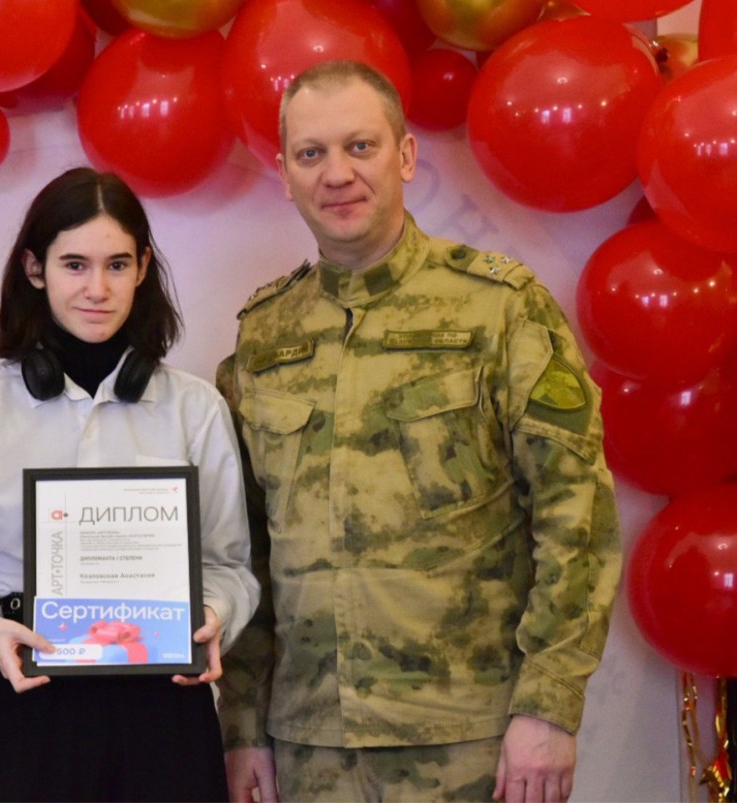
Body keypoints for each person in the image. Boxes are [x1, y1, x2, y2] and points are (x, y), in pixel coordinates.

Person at [215, 61, 622, 803]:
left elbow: (577, 517)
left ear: (404, 156)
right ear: (285, 174)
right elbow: (244, 551)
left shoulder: (497, 309)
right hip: (310, 745)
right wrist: (243, 724)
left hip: (469, 740)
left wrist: (549, 704)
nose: (337, 174)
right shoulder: (264, 337)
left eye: (360, 146)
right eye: (311, 153)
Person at [0, 167, 259, 802]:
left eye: (117, 264)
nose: (98, 288)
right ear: (35, 269)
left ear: (143, 269)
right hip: (20, 703)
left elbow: (229, 566)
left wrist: (213, 614)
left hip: (163, 712)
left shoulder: (194, 408)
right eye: (74, 265)